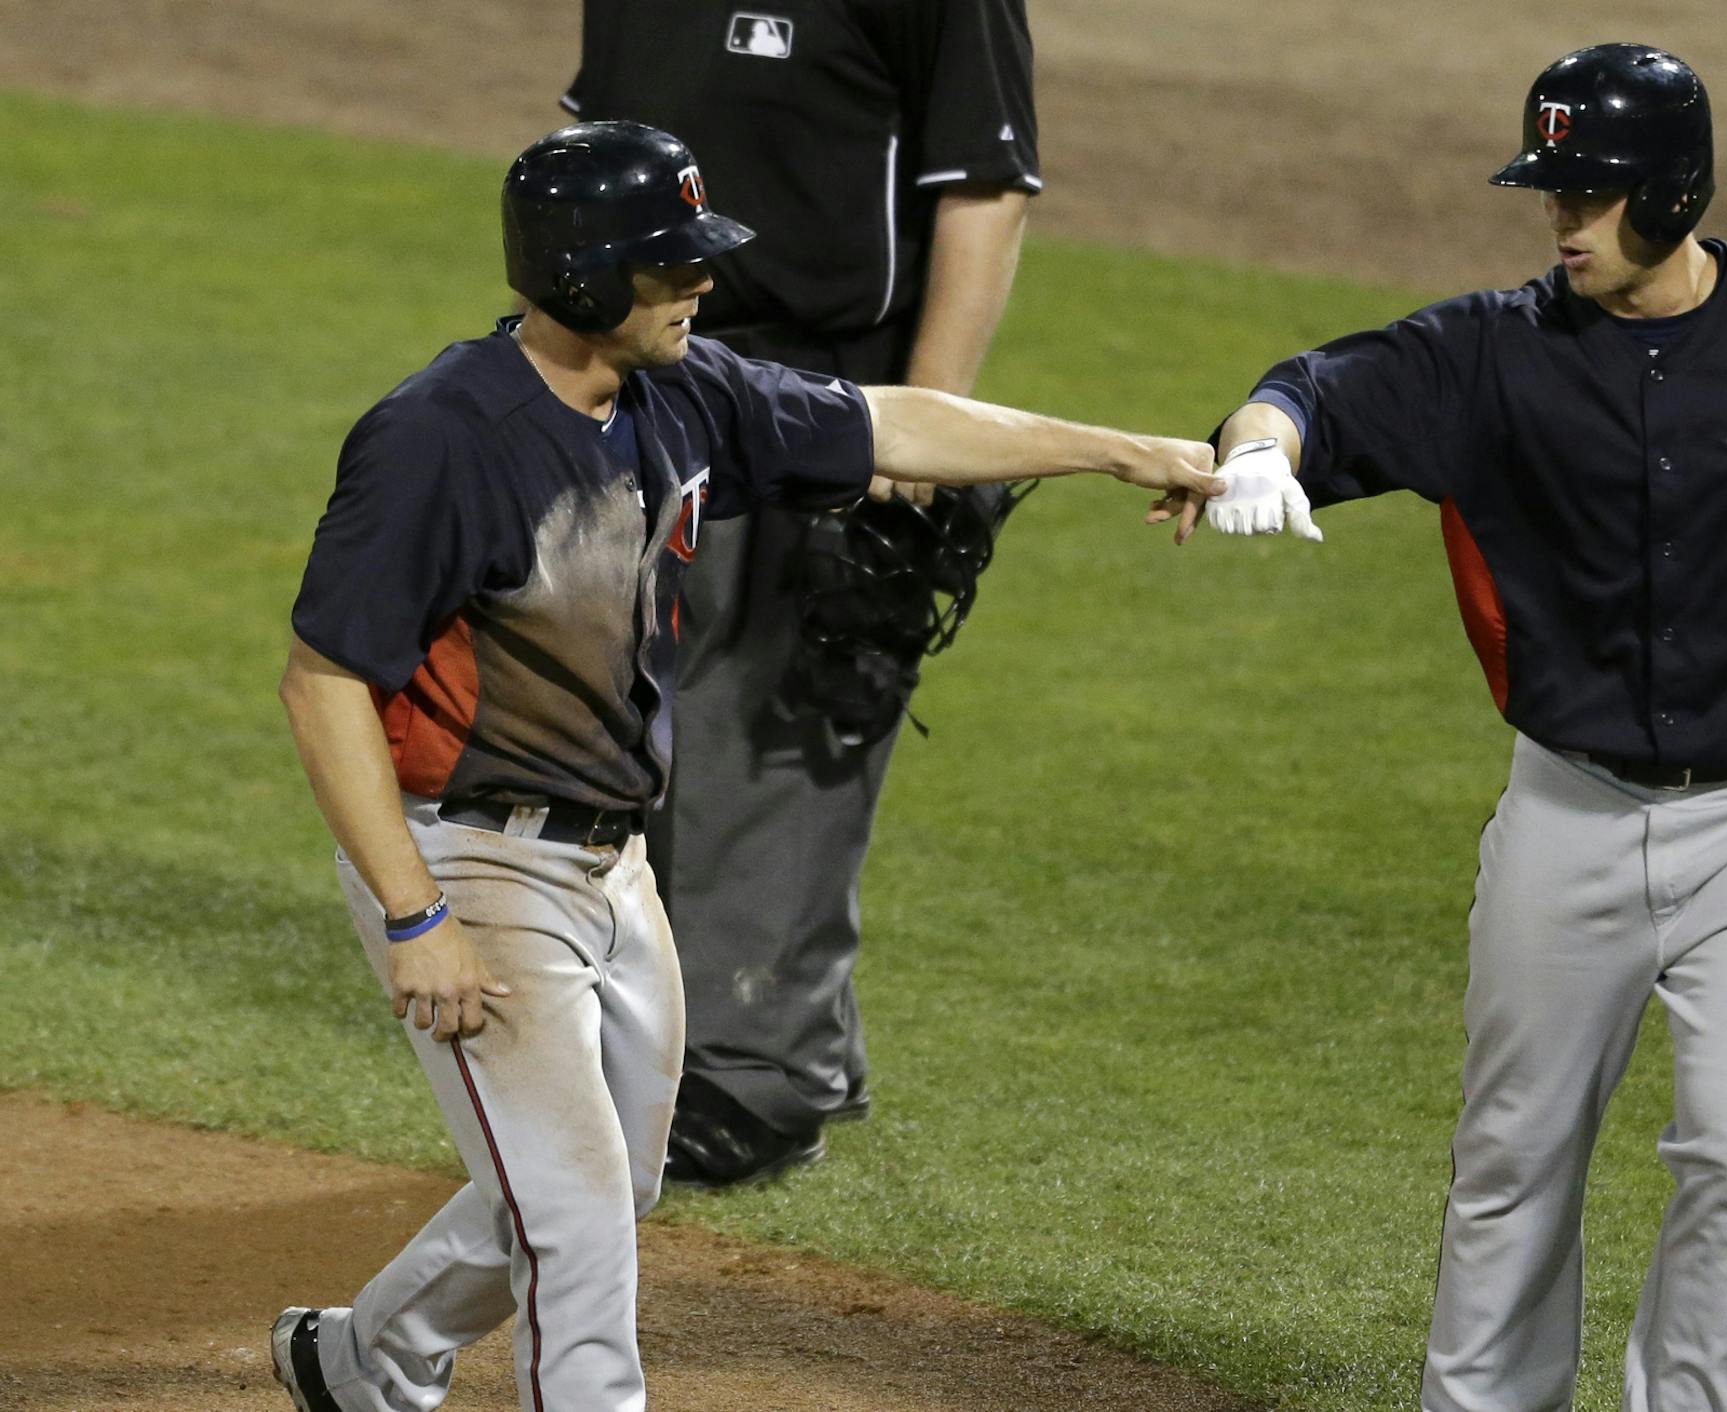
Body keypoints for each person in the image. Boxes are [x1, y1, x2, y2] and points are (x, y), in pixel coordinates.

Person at [1156, 44, 1727, 1412]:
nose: (1563, 219)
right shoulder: (1489, 355)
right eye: (1554, 190)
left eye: (1593, 191)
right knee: (1514, 1159)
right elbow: (1309, 390)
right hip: (1565, 817)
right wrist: (1256, 448)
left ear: (1676, 187)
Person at [268, 120, 1217, 1412]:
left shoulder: (686, 391)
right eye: (671, 265)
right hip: (467, 858)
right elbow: (324, 685)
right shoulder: (439, 438)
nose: (700, 282)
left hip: (610, 865)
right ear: (590, 277)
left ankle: (361, 1358)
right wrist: (414, 916)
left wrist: (1122, 450)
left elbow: (893, 423)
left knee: (606, 1182)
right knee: (574, 1215)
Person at [562, 0, 1044, 1186]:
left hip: (826, 391)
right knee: (640, 716)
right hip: (649, 382)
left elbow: (986, 188)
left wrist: (921, 423)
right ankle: (775, 1039)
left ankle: (754, 1076)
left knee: (774, 724)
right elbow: (590, 165)